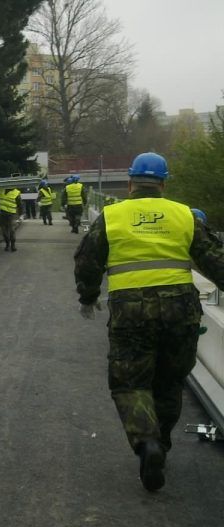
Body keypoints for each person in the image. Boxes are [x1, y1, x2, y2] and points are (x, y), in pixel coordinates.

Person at [73, 152, 224, 492]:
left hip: (132, 312)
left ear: (129, 183)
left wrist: (87, 297)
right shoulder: (185, 215)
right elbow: (216, 261)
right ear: (164, 184)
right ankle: (163, 447)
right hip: (181, 310)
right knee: (169, 382)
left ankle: (147, 442)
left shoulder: (112, 216)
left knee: (129, 383)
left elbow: (88, 261)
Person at [0, 186, 22, 251]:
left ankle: (13, 245)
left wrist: (20, 214)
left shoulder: (16, 192)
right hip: (1, 214)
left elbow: (19, 204)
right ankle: (7, 244)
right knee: (4, 231)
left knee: (11, 230)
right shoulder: (0, 189)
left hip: (11, 214)